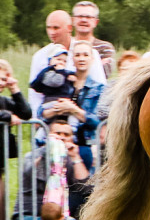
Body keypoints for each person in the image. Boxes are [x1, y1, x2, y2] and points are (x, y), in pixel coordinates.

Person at [11, 120, 90, 220]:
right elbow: (30, 172)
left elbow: (86, 188)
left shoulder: (71, 160)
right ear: (48, 136)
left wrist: (75, 156)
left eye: (66, 135)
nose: (62, 137)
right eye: (58, 133)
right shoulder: (33, 155)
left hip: (60, 217)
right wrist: (48, 149)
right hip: (30, 216)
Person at [37, 42, 105, 173]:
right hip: (56, 144)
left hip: (85, 146)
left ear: (92, 59)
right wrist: (55, 110)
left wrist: (73, 110)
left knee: (83, 189)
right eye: (77, 55)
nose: (81, 58)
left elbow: (99, 122)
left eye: (85, 55)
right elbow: (41, 112)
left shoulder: (99, 89)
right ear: (72, 59)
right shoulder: (61, 80)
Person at [28, 9, 105, 111]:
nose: (51, 32)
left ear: (69, 28)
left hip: (82, 112)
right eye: (49, 28)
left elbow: (100, 85)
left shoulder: (88, 52)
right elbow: (34, 93)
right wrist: (37, 120)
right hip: (49, 111)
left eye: (56, 28)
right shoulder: (39, 56)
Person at [0, 59, 32, 220]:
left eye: (5, 78)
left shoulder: (4, 101)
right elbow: (10, 115)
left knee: (1, 196)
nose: (2, 82)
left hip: (0, 161)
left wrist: (15, 90)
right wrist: (7, 116)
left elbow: (26, 113)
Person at [71, 1, 115, 76]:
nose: (84, 20)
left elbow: (104, 74)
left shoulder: (105, 48)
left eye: (88, 17)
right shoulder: (65, 45)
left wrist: (72, 66)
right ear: (73, 20)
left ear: (96, 22)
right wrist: (97, 65)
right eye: (80, 16)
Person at [30, 48, 76, 113]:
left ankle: (73, 123)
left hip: (64, 101)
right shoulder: (48, 73)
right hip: (51, 101)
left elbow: (72, 75)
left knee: (73, 114)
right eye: (58, 59)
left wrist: (73, 77)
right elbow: (57, 82)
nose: (61, 62)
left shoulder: (64, 72)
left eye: (64, 61)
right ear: (50, 60)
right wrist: (61, 71)